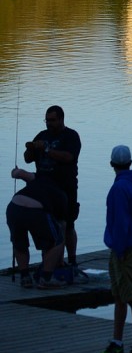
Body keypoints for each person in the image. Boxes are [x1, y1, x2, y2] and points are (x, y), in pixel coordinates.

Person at [99, 144, 132, 353]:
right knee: (119, 296)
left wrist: (119, 250)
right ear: (130, 162)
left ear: (111, 164)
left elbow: (120, 223)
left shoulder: (119, 188)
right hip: (130, 244)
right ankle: (117, 342)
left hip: (124, 248)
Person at [23, 104, 82, 274]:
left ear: (61, 119)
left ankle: (72, 260)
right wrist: (30, 149)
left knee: (68, 225)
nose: (49, 123)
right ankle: (51, 263)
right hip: (44, 190)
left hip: (66, 187)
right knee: (48, 227)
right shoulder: (42, 135)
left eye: (52, 120)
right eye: (47, 120)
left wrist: (47, 149)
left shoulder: (71, 136)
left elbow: (69, 157)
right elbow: (27, 159)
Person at [6, 167, 67, 289]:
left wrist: (14, 172)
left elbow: (17, 173)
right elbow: (61, 224)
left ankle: (25, 278)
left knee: (19, 243)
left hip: (14, 207)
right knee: (57, 240)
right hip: (35, 211)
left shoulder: (38, 178)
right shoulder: (62, 195)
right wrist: (59, 260)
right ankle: (46, 279)